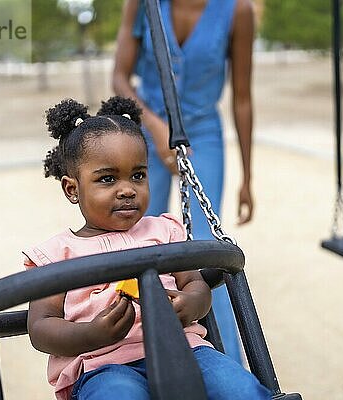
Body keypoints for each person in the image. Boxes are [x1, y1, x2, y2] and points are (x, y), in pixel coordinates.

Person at [23, 96, 270, 400]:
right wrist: (92, 334)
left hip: (186, 350)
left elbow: (194, 283)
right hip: (104, 366)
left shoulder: (164, 231)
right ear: (72, 189)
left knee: (241, 389)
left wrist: (190, 304)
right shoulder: (57, 253)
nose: (127, 189)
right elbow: (40, 326)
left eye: (138, 175)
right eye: (108, 179)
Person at [112, 0, 255, 364]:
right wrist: (157, 129)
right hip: (145, 128)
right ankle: (138, 356)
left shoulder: (237, 11)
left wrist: (248, 178)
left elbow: (242, 98)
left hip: (202, 132)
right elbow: (119, 77)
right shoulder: (143, 4)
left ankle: (229, 363)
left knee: (210, 249)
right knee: (137, 238)